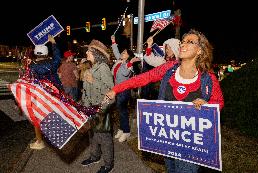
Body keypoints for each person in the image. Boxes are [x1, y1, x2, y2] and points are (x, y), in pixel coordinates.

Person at [104, 29, 224, 173]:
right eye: (183, 41)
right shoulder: (169, 68)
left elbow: (219, 103)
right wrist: (116, 89)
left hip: (191, 146)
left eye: (190, 42)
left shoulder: (208, 78)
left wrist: (207, 105)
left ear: (200, 50)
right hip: (168, 139)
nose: (183, 45)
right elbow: (144, 78)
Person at [80, 39, 115, 173]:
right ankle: (95, 157)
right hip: (90, 107)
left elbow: (110, 91)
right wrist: (83, 105)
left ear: (96, 53)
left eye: (89, 51)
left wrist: (93, 81)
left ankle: (108, 164)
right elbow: (86, 90)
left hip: (101, 107)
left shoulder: (103, 68)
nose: (87, 52)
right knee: (93, 134)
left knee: (104, 137)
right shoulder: (92, 67)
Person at [28, 34, 63, 150]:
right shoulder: (52, 64)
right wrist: (53, 43)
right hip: (54, 94)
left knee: (37, 118)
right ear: (46, 54)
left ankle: (40, 141)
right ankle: (57, 138)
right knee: (54, 115)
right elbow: (58, 57)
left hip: (40, 96)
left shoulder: (32, 67)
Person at [110, 35, 141, 143]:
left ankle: (126, 131)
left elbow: (124, 73)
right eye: (122, 52)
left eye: (124, 53)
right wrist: (113, 41)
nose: (122, 53)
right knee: (119, 110)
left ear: (128, 56)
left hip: (124, 91)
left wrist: (130, 63)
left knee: (122, 111)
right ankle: (122, 128)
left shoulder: (129, 66)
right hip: (117, 90)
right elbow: (116, 52)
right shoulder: (120, 61)